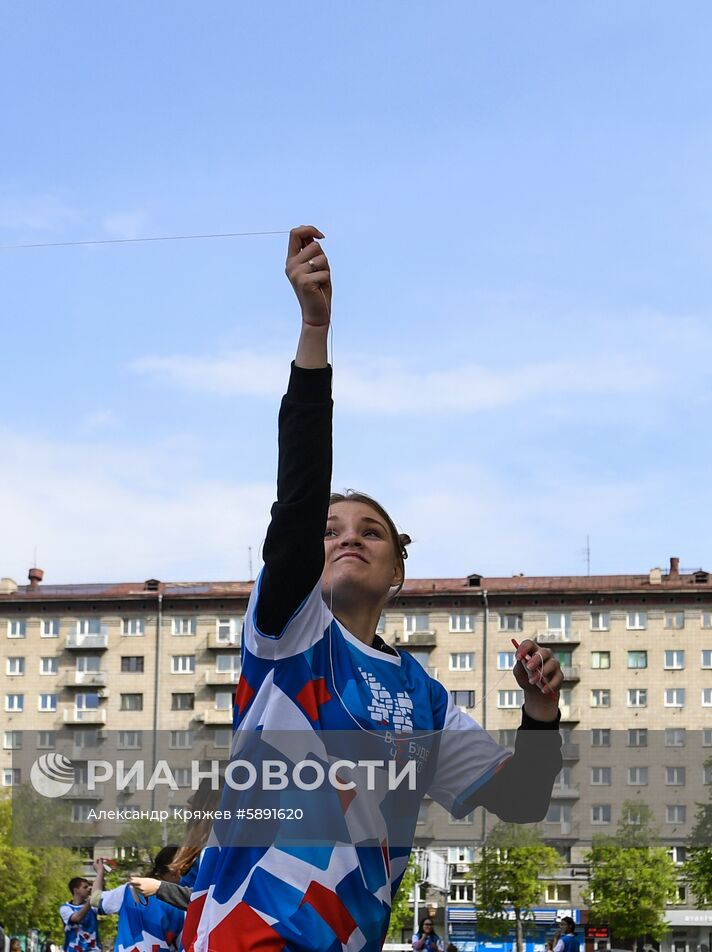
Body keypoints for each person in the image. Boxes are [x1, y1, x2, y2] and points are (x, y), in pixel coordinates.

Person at [181, 226, 566, 952]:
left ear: (398, 573)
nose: (347, 536)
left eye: (371, 530)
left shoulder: (423, 699)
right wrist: (314, 331)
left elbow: (522, 800)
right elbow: (294, 502)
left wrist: (542, 714)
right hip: (244, 935)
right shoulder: (289, 636)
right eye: (331, 530)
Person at [95, 851, 185, 952]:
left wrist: (100, 872)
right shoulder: (181, 905)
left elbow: (95, 900)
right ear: (176, 872)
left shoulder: (128, 891)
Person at [59, 877, 99, 952]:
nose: (89, 889)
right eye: (85, 887)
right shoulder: (65, 908)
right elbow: (77, 918)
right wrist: (89, 902)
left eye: (89, 887)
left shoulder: (93, 907)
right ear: (76, 890)